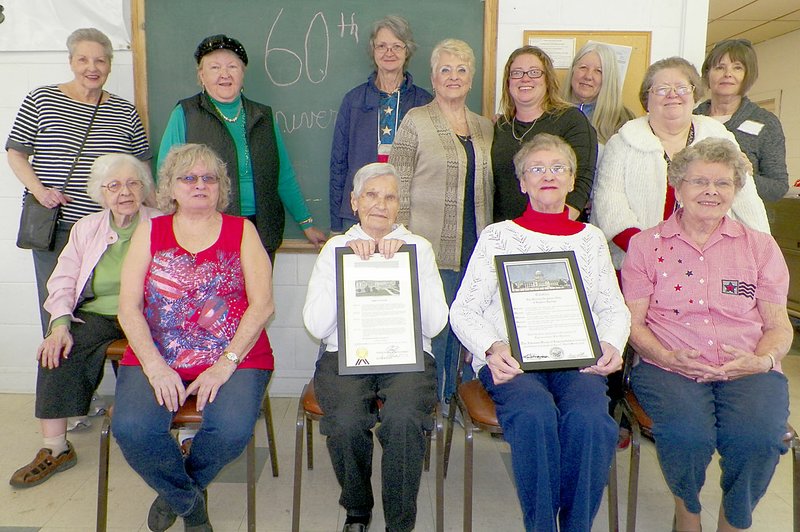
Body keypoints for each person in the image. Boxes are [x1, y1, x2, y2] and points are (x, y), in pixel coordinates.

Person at [450, 133, 630, 531]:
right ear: (522, 182)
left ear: (571, 179)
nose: (547, 176)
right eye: (536, 169)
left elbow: (612, 308)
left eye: (557, 168)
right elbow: (463, 310)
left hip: (576, 361)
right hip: (511, 362)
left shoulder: (591, 239)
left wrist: (611, 343)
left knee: (591, 421)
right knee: (534, 416)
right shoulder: (498, 237)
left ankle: (576, 525)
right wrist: (492, 346)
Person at [621, 137, 791, 532]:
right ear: (678, 187)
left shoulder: (760, 247)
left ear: (736, 190)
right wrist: (664, 356)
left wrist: (762, 361)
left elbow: (778, 324)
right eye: (699, 182)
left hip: (749, 366)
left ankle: (734, 520)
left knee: (759, 438)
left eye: (723, 183)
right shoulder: (647, 246)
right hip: (669, 365)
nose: (711, 192)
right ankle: (688, 512)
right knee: (687, 435)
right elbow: (633, 322)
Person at [113, 144, 274, 532]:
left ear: (221, 187)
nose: (199, 185)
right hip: (158, 353)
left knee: (232, 430)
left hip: (234, 354)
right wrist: (154, 366)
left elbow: (263, 306)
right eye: (188, 178)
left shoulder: (243, 230)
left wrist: (225, 365)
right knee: (132, 429)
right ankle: (191, 504)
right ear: (170, 186)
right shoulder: (150, 230)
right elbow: (128, 307)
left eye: (209, 178)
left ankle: (180, 486)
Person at [303, 162, 448, 532]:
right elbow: (317, 325)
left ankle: (399, 522)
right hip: (345, 355)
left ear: (400, 205)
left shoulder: (419, 248)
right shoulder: (336, 248)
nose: (380, 204)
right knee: (347, 420)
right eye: (370, 195)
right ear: (354, 202)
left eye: (389, 197)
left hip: (407, 357)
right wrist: (349, 267)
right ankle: (357, 507)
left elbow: (435, 324)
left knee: (402, 420)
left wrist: (403, 267)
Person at [9, 154, 158, 488]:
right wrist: (59, 323)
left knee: (167, 354)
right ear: (101, 193)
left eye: (133, 183)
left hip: (149, 315)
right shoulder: (87, 228)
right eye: (115, 185)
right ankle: (56, 448)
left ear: (145, 188)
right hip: (98, 313)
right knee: (56, 349)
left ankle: (174, 436)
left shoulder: (162, 224)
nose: (125, 192)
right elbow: (62, 280)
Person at [6, 27, 151, 333]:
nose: (92, 68)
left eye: (100, 61)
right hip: (56, 228)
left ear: (110, 65)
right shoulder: (41, 99)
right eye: (83, 59)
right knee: (57, 314)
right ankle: (60, 376)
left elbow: (142, 167)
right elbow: (16, 153)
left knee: (113, 313)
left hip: (110, 233)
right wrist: (40, 191)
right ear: (71, 61)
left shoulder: (125, 111)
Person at [389, 38, 493, 410]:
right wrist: (398, 243)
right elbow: (395, 183)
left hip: (475, 250)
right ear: (433, 77)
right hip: (430, 249)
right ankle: (431, 403)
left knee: (469, 329)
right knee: (437, 331)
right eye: (445, 69)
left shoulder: (484, 128)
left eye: (462, 70)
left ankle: (457, 401)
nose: (454, 76)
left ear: (471, 78)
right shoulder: (416, 120)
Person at [590, 56, 770, 270]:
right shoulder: (623, 142)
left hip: (714, 264)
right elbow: (610, 204)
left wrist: (763, 254)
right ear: (647, 98)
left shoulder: (720, 138)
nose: (673, 94)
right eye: (662, 88)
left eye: (682, 88)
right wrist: (647, 251)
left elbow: (746, 200)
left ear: (694, 96)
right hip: (640, 264)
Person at [157, 33, 326, 260]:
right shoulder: (186, 113)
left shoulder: (263, 116)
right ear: (201, 75)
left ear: (243, 73)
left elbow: (283, 175)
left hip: (261, 230)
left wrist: (306, 223)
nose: (224, 74)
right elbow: (166, 177)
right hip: (206, 230)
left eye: (232, 67)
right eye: (215, 67)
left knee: (259, 294)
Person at [329, 15, 432, 233]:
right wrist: (336, 225)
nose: (389, 53)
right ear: (373, 51)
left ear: (407, 51)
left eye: (396, 46)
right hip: (358, 215)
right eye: (382, 46)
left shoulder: (424, 103)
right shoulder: (353, 100)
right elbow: (338, 165)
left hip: (408, 215)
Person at [492, 46, 598, 223]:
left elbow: (580, 185)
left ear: (547, 79)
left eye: (534, 72)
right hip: (508, 234)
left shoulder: (571, 120)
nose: (525, 78)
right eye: (517, 73)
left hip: (556, 234)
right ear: (508, 82)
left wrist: (548, 231)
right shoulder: (501, 127)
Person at [695, 39, 789, 201]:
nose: (728, 74)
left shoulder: (766, 122)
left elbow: (778, 187)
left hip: (744, 222)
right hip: (694, 219)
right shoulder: (692, 119)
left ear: (748, 75)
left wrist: (745, 176)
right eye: (719, 67)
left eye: (737, 67)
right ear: (708, 74)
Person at [562, 41, 635, 145]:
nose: (588, 76)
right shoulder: (550, 113)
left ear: (609, 78)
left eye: (598, 71)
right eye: (583, 67)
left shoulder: (623, 120)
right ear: (573, 70)